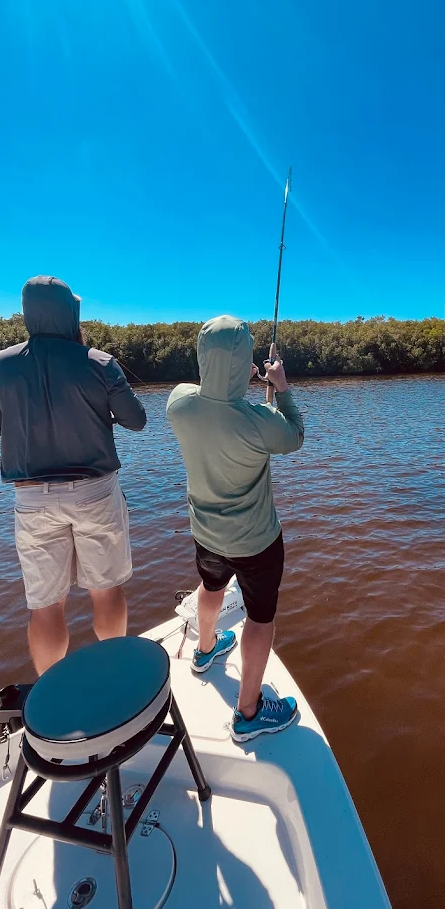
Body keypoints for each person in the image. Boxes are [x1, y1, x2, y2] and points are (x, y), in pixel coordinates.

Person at [0, 275, 146, 675]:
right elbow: (136, 421)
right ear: (71, 312)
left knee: (46, 604)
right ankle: (118, 677)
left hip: (32, 499)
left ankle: (51, 694)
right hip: (95, 493)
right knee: (105, 591)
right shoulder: (100, 363)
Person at [166, 314, 304, 740]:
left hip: (206, 533)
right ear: (246, 364)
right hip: (257, 543)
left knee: (211, 589)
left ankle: (205, 651)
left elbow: (213, 394)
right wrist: (279, 389)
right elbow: (295, 435)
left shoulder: (179, 403)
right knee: (260, 619)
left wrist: (238, 383)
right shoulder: (261, 421)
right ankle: (248, 712)